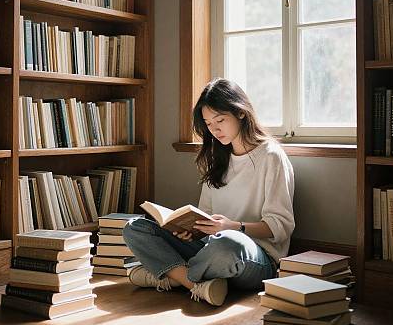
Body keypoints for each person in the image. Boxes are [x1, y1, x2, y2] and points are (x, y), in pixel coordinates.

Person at [122, 78, 295, 306]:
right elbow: (205, 214)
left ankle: (169, 276)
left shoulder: (271, 157)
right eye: (208, 124)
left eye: (220, 120)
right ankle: (194, 284)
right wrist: (190, 230)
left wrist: (234, 226)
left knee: (228, 243)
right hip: (210, 247)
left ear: (241, 113)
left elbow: (280, 227)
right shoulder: (217, 158)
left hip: (254, 256)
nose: (214, 130)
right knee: (135, 228)